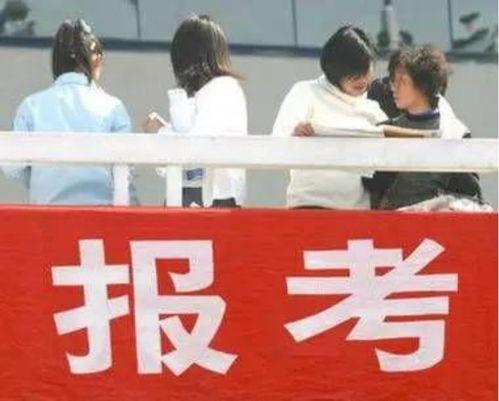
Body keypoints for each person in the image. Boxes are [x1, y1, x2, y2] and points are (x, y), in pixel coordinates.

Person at [2, 18, 137, 205]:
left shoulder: (31, 106)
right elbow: (124, 171)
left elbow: (12, 167)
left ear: (56, 61)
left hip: (46, 216)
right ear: (96, 60)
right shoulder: (113, 107)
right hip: (100, 217)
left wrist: (41, 177)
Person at [272, 25, 387, 209]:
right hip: (310, 206)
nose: (362, 80)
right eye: (354, 74)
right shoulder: (306, 92)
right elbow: (277, 144)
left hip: (357, 213)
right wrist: (295, 135)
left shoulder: (374, 107)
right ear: (334, 70)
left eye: (366, 72)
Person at [143, 15, 246, 208]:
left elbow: (198, 143)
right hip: (197, 195)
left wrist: (160, 133)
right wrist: (166, 132)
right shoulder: (204, 93)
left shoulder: (223, 87)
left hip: (215, 198)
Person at [364, 45, 484, 210]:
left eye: (402, 81)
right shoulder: (387, 129)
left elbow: (467, 192)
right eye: (393, 80)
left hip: (437, 224)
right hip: (391, 222)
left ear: (424, 85)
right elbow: (372, 187)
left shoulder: (455, 132)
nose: (394, 88)